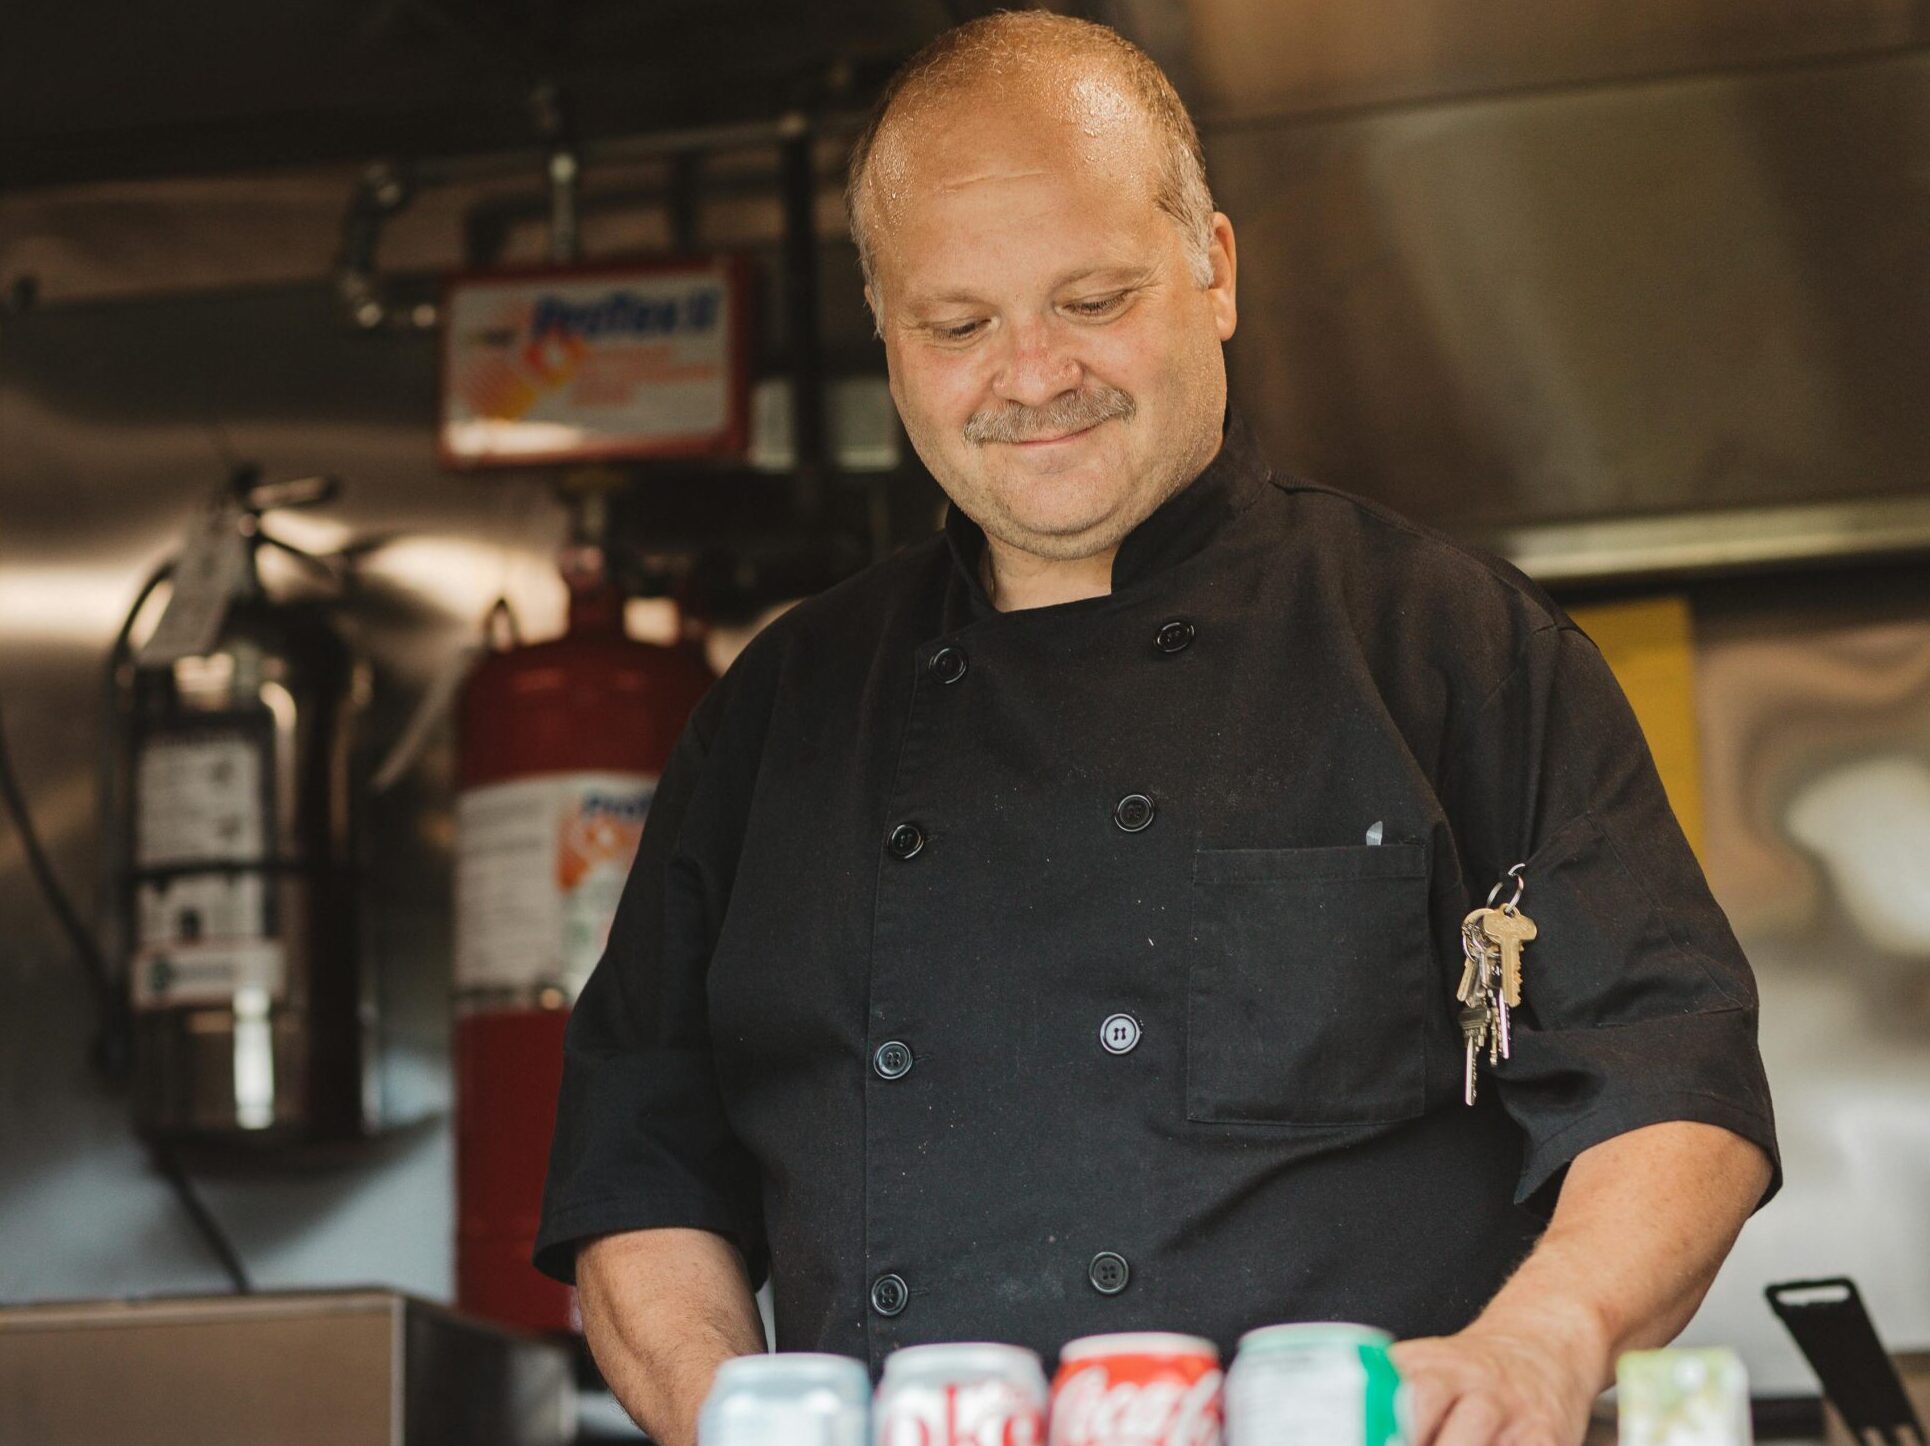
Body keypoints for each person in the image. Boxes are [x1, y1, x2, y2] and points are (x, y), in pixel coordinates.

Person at [534, 14, 1779, 1446]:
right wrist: (727, 1415)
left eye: (1091, 299)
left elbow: (1667, 1079)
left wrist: (1538, 1347)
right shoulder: (777, 715)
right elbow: (639, 1169)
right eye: (958, 326)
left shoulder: (1451, 647)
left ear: (1215, 271)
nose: (1032, 373)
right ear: (884, 328)